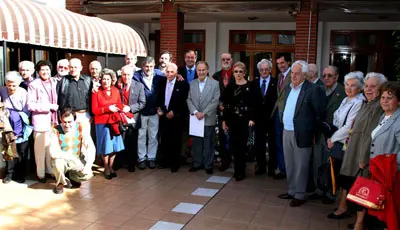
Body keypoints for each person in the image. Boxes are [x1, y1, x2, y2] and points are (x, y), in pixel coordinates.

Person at [333, 73, 386, 229]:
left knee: (363, 189)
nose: (368, 89)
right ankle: (358, 221)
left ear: (381, 88)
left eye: (373, 86)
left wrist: (363, 158)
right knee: (353, 186)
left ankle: (359, 224)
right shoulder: (367, 103)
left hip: (362, 155)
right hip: (353, 149)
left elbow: (370, 135)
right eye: (367, 86)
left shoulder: (377, 107)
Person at [277, 60, 325, 207]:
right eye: (292, 73)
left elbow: (319, 113)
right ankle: (291, 190)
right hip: (287, 130)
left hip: (303, 132)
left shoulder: (313, 89)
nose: (294, 76)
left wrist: (313, 132)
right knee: (290, 163)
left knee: (301, 165)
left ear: (305, 75)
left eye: (297, 73)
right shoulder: (289, 88)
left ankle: (299, 194)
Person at [326, 71, 365, 219]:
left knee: (345, 176)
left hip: (345, 144)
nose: (348, 88)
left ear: (360, 87)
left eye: (353, 85)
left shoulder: (359, 102)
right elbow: (337, 120)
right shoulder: (347, 99)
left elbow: (349, 126)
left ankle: (344, 207)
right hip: (338, 141)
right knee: (340, 175)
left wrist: (332, 138)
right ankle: (342, 204)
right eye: (347, 85)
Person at [309, 65, 346, 203]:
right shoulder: (319, 89)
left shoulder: (343, 92)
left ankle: (331, 193)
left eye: (329, 75)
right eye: (324, 75)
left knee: (332, 163)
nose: (326, 78)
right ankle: (319, 189)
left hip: (335, 135)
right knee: (318, 161)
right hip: (319, 133)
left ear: (336, 76)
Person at [366, 81, 400, 230]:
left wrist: (389, 165)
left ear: (398, 101)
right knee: (376, 213)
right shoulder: (384, 116)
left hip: (390, 177)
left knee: (387, 217)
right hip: (378, 175)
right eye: (383, 97)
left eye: (389, 97)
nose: (385, 101)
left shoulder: (398, 121)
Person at [222, 62, 257, 181]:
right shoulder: (230, 87)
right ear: (233, 73)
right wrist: (224, 121)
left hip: (245, 120)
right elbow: (225, 105)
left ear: (244, 72)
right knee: (234, 146)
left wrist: (252, 118)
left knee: (243, 146)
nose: (238, 74)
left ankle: (241, 171)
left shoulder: (251, 86)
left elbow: (255, 104)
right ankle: (237, 170)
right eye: (236, 71)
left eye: (240, 71)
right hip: (233, 120)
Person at [49, 107, 96, 194]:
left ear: (74, 120)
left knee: (88, 174)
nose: (67, 125)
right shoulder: (55, 130)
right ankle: (60, 183)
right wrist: (70, 157)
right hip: (63, 160)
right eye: (64, 122)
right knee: (57, 163)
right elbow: (53, 153)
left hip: (76, 160)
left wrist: (88, 166)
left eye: (69, 122)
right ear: (60, 119)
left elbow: (91, 148)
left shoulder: (81, 128)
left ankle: (72, 177)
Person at [27, 60, 59, 183]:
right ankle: (40, 174)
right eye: (42, 70)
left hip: (53, 121)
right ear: (38, 71)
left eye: (47, 69)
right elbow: (30, 105)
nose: (45, 72)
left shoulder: (54, 82)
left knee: (50, 148)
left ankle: (50, 171)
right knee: (40, 150)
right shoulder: (34, 84)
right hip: (40, 121)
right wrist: (49, 106)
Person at [92, 69, 127, 179]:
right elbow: (94, 110)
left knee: (115, 146)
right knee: (105, 147)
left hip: (114, 122)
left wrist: (124, 108)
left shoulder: (116, 90)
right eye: (103, 79)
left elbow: (119, 104)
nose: (105, 81)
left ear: (112, 80)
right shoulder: (96, 92)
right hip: (102, 123)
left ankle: (111, 166)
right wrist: (107, 109)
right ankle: (106, 167)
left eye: (108, 79)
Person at [187, 61, 220, 174]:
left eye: (203, 70)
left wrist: (204, 112)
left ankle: (208, 164)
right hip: (196, 118)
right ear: (196, 71)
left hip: (207, 117)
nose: (201, 72)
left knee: (208, 142)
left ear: (207, 70)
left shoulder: (215, 83)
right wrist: (195, 112)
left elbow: (215, 100)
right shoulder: (192, 83)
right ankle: (197, 163)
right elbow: (189, 99)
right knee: (197, 142)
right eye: (199, 70)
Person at [0, 71, 32, 184]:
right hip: (7, 123)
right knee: (9, 149)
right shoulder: (2, 90)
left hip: (20, 123)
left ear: (18, 83)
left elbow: (27, 111)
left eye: (14, 85)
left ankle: (20, 174)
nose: (11, 87)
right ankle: (9, 174)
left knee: (21, 150)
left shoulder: (24, 92)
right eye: (9, 84)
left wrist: (18, 122)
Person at [133, 56, 164, 170]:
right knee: (141, 136)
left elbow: (170, 80)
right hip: (141, 111)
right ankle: (141, 158)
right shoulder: (136, 76)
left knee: (153, 135)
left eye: (151, 66)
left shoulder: (159, 76)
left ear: (154, 66)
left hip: (155, 111)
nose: (148, 68)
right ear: (142, 66)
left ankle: (151, 158)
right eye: (146, 66)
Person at [157, 63, 189, 172]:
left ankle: (175, 164)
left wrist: (174, 112)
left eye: (172, 72)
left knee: (176, 140)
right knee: (165, 139)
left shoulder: (183, 84)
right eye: (167, 71)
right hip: (163, 115)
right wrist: (159, 108)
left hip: (176, 116)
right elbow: (158, 97)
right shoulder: (161, 81)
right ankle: (165, 161)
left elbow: (184, 101)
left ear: (177, 73)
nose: (169, 74)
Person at [252, 59, 278, 176]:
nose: (264, 71)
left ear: (270, 70)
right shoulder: (253, 83)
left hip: (272, 118)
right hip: (258, 119)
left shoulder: (276, 82)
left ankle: (272, 167)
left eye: (266, 69)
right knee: (259, 143)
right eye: (262, 70)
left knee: (272, 143)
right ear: (259, 70)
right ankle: (260, 165)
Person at [118, 65, 146, 172]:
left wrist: (129, 108)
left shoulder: (139, 86)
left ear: (132, 74)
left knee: (132, 141)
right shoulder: (118, 85)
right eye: (124, 74)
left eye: (128, 74)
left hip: (133, 118)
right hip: (120, 118)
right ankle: (120, 162)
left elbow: (142, 103)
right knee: (120, 140)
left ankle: (131, 164)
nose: (126, 76)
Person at [57, 58, 92, 135]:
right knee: (71, 140)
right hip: (69, 117)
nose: (73, 69)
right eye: (71, 67)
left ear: (81, 68)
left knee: (85, 140)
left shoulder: (88, 80)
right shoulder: (63, 81)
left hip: (85, 116)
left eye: (76, 67)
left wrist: (91, 115)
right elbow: (58, 99)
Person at [212, 53, 234, 172]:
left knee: (233, 136)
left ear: (231, 60)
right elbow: (213, 93)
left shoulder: (237, 74)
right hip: (220, 112)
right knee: (222, 136)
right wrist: (219, 104)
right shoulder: (216, 76)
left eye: (228, 59)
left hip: (233, 112)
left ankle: (232, 157)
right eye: (223, 59)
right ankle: (224, 160)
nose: (226, 61)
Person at [271, 53, 292, 180]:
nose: (280, 66)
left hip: (287, 116)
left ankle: (288, 170)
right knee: (279, 143)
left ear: (288, 62)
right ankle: (282, 169)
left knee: (287, 145)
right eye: (278, 64)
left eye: (282, 63)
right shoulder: (279, 76)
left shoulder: (293, 76)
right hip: (278, 115)